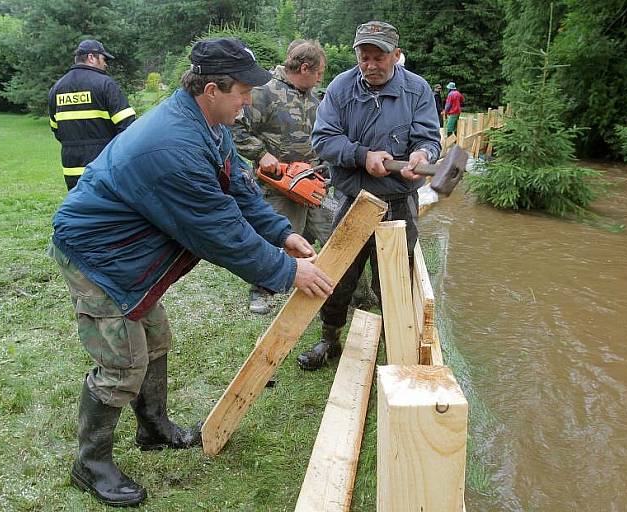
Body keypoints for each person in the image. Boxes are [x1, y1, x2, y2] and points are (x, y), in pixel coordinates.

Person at [49, 38, 334, 506]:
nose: (248, 101)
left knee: (155, 339)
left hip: (127, 251)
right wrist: (287, 271)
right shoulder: (173, 146)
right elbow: (220, 232)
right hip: (96, 255)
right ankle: (91, 463)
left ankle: (154, 428)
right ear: (211, 88)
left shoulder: (210, 122)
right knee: (122, 363)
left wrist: (282, 234)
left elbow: (239, 188)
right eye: (242, 91)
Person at [296, 21, 441, 370]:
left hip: (398, 201)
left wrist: (422, 156)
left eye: (379, 57)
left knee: (394, 278)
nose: (371, 65)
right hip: (353, 200)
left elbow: (428, 140)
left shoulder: (417, 89)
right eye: (364, 57)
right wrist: (363, 156)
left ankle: (398, 345)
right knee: (337, 273)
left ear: (396, 55)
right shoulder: (341, 88)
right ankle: (329, 338)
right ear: (357, 55)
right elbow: (323, 139)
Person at [231, 40, 334, 314]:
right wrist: (260, 153)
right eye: (319, 72)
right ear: (304, 68)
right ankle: (261, 291)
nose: (321, 77)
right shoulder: (265, 92)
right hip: (279, 186)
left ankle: (349, 290)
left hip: (312, 183)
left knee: (332, 232)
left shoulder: (313, 97)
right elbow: (235, 127)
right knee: (277, 238)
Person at [49, 39, 136, 190]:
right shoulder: (105, 84)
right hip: (102, 164)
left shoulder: (57, 88)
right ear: (91, 57)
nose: (106, 64)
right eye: (103, 59)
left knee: (79, 208)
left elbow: (56, 129)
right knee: (105, 209)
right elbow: (128, 127)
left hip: (71, 167)